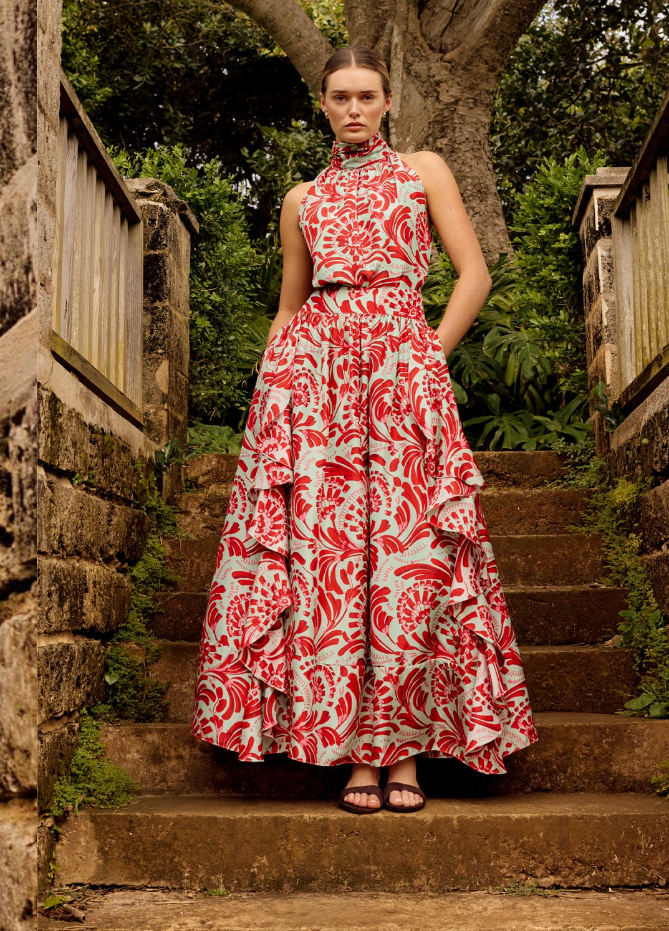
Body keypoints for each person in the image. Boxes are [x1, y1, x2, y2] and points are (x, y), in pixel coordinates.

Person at [189, 46, 538, 815]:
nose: (353, 107)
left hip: (404, 376)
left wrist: (425, 358)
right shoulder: (300, 199)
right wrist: (272, 391)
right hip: (314, 389)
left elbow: (471, 274)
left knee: (411, 559)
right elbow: (289, 305)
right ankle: (352, 755)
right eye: (340, 96)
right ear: (323, 105)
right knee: (331, 565)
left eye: (366, 95)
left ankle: (405, 755)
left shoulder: (423, 171)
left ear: (387, 102)